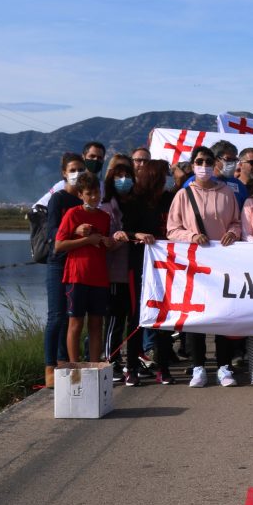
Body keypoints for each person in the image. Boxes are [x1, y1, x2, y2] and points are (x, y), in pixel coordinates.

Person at [166, 145, 242, 388]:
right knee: (197, 316)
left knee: (222, 315)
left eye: (208, 161)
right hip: (194, 263)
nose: (204, 165)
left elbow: (237, 222)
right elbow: (172, 230)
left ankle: (223, 366)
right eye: (199, 161)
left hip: (221, 264)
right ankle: (198, 366)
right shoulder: (183, 195)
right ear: (193, 163)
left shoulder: (226, 193)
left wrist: (232, 232)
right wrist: (191, 236)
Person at [119, 158, 175, 384]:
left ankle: (164, 367)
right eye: (165, 174)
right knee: (136, 316)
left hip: (166, 266)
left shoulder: (170, 199)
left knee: (164, 316)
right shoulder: (135, 201)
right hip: (140, 265)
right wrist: (137, 235)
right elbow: (124, 230)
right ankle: (131, 366)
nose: (168, 178)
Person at [54, 172, 117, 363]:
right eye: (89, 193)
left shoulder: (104, 217)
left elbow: (105, 245)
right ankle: (74, 366)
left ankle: (94, 365)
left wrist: (108, 242)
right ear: (81, 194)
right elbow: (58, 245)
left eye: (97, 192)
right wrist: (86, 240)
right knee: (76, 323)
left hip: (99, 278)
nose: (95, 197)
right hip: (77, 276)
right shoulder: (73, 214)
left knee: (97, 324)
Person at [42, 152, 86, 386]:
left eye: (81, 169)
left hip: (79, 264)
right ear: (64, 173)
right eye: (73, 170)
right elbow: (52, 234)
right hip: (58, 262)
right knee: (56, 315)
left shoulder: (84, 200)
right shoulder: (58, 199)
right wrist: (76, 232)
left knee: (73, 318)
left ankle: (64, 362)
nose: (77, 174)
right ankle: (50, 368)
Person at [100, 156, 135, 374]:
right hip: (113, 272)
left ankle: (120, 359)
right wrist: (118, 239)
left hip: (130, 269)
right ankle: (109, 360)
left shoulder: (132, 204)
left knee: (126, 318)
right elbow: (104, 241)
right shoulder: (105, 206)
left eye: (127, 176)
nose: (123, 180)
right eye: (119, 176)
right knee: (114, 319)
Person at [35, 141, 106, 208]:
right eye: (92, 156)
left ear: (103, 160)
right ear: (83, 157)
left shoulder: (104, 187)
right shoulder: (66, 184)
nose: (95, 160)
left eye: (99, 158)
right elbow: (39, 206)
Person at [210, 140, 250, 207]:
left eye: (234, 160)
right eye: (228, 159)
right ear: (215, 160)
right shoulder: (199, 181)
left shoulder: (238, 185)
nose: (232, 163)